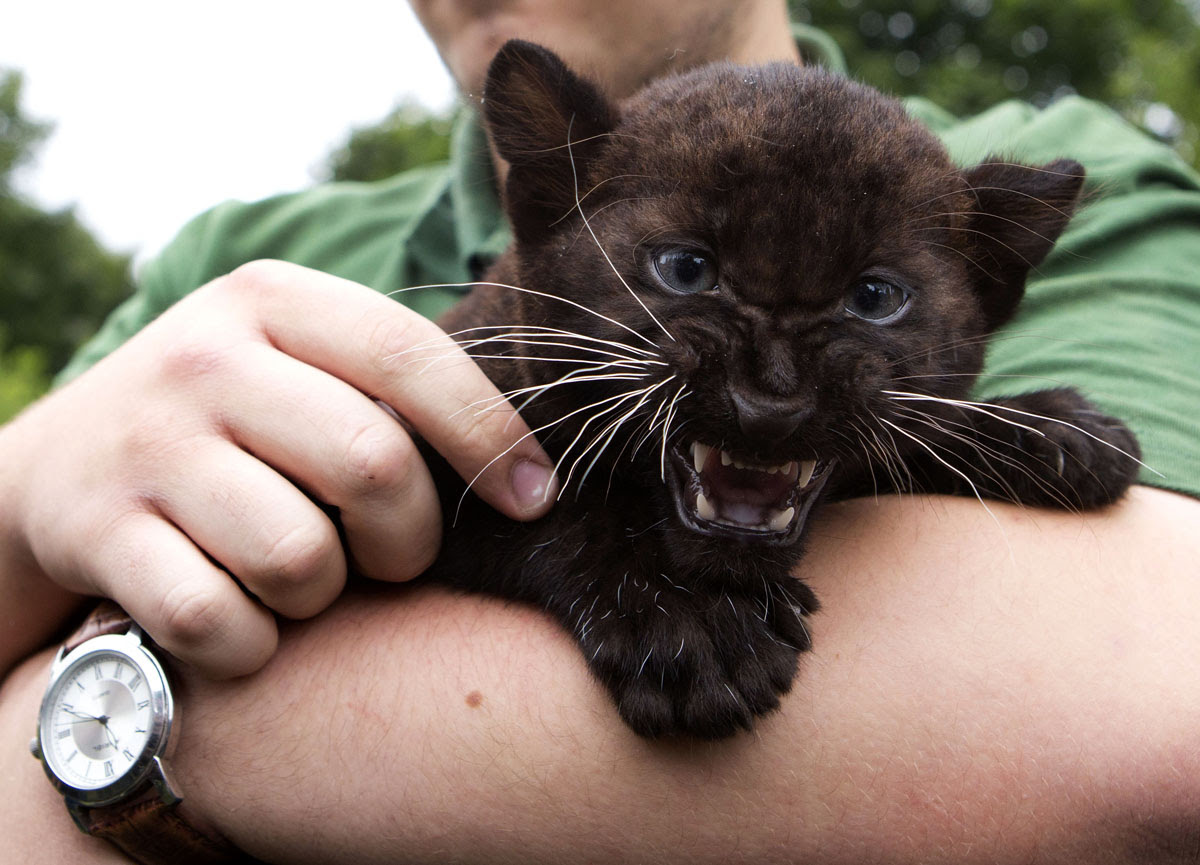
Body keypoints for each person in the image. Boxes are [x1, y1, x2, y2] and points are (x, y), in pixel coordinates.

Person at [2, 0, 1199, 861]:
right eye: (682, 270)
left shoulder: (1094, 178)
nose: (774, 379)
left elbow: (1144, 724)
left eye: (872, 299)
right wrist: (25, 496)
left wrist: (70, 729)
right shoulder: (224, 267)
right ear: (546, 202)